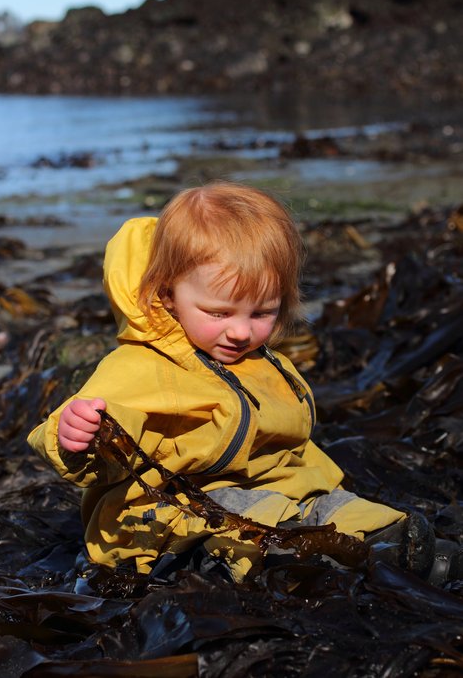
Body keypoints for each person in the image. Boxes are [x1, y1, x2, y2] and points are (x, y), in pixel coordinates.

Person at [27, 181, 459, 584]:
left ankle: (391, 540)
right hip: (165, 514)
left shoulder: (259, 361)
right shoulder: (141, 365)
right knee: (262, 524)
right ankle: (345, 556)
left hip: (270, 491)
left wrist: (330, 487)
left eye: (262, 312)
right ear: (166, 294)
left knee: (339, 509)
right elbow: (95, 436)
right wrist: (73, 437)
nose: (240, 332)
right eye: (218, 313)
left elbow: (292, 445)